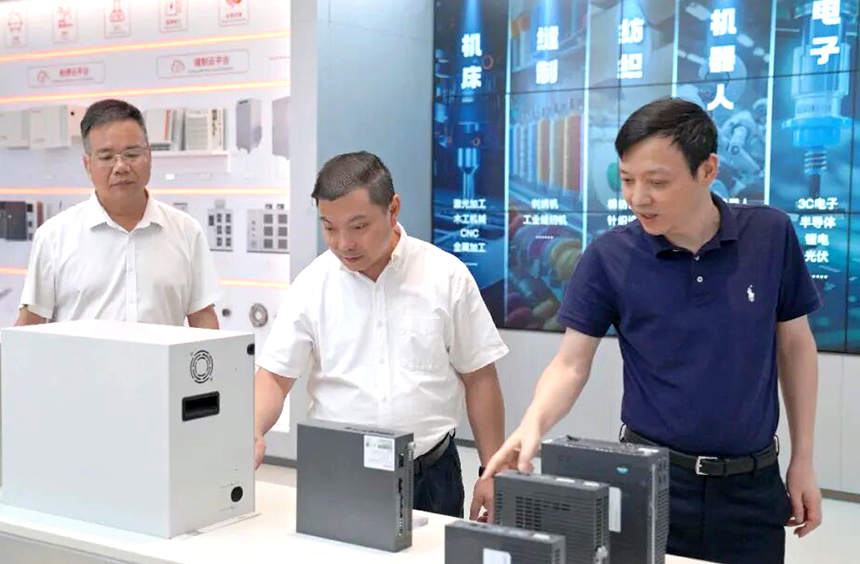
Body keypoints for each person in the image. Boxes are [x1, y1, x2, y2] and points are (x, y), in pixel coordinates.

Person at [483, 98, 822, 564]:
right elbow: (570, 364)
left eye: (657, 182)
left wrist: (803, 459)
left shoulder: (769, 234)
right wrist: (532, 424)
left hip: (752, 485)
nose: (637, 197)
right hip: (649, 481)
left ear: (708, 170)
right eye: (627, 180)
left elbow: (795, 345)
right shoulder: (609, 256)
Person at [254, 151, 509, 519]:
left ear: (393, 209)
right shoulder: (312, 284)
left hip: (429, 475)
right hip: (339, 473)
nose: (343, 243)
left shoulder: (446, 276)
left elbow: (479, 377)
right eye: (329, 228)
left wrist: (492, 469)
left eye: (358, 226)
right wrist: (253, 430)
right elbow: (275, 377)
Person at [16, 99, 220, 328]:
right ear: (88, 165)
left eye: (132, 154)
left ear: (149, 156)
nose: (121, 167)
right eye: (106, 157)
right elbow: (29, 324)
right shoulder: (53, 236)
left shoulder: (186, 231)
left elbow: (203, 317)